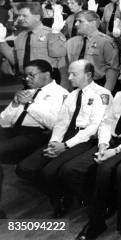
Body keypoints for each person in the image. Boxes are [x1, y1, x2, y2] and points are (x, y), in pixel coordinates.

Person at [16, 60, 111, 218]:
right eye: (69, 73)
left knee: (51, 171)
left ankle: (80, 201)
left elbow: (93, 127)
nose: (69, 77)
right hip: (65, 136)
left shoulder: (102, 94)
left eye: (74, 74)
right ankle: (61, 196)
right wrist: (54, 142)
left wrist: (65, 146)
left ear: (88, 75)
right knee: (26, 167)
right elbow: (62, 122)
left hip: (86, 139)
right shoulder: (72, 95)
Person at [70, 69, 121, 240]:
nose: (120, 77)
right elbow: (107, 123)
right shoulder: (120, 95)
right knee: (81, 169)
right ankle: (98, 217)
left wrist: (115, 151)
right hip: (111, 143)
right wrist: (103, 145)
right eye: (120, 73)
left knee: (107, 170)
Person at [0, 59, 68, 165]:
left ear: (46, 74)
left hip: (35, 135)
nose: (27, 79)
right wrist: (14, 105)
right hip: (12, 131)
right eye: (25, 75)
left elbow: (54, 124)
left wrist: (30, 104)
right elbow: (3, 122)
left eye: (31, 75)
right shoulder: (26, 91)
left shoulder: (61, 93)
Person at [0, 3, 66, 77]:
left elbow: (62, 63)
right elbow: (15, 61)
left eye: (24, 16)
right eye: (19, 15)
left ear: (37, 17)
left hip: (49, 80)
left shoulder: (52, 34)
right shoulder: (20, 37)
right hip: (27, 80)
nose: (20, 18)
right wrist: (1, 42)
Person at [66, 10, 119, 92]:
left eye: (80, 21)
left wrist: (105, 92)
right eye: (76, 21)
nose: (76, 24)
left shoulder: (105, 41)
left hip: (97, 86)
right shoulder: (72, 42)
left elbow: (112, 69)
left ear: (93, 23)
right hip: (76, 86)